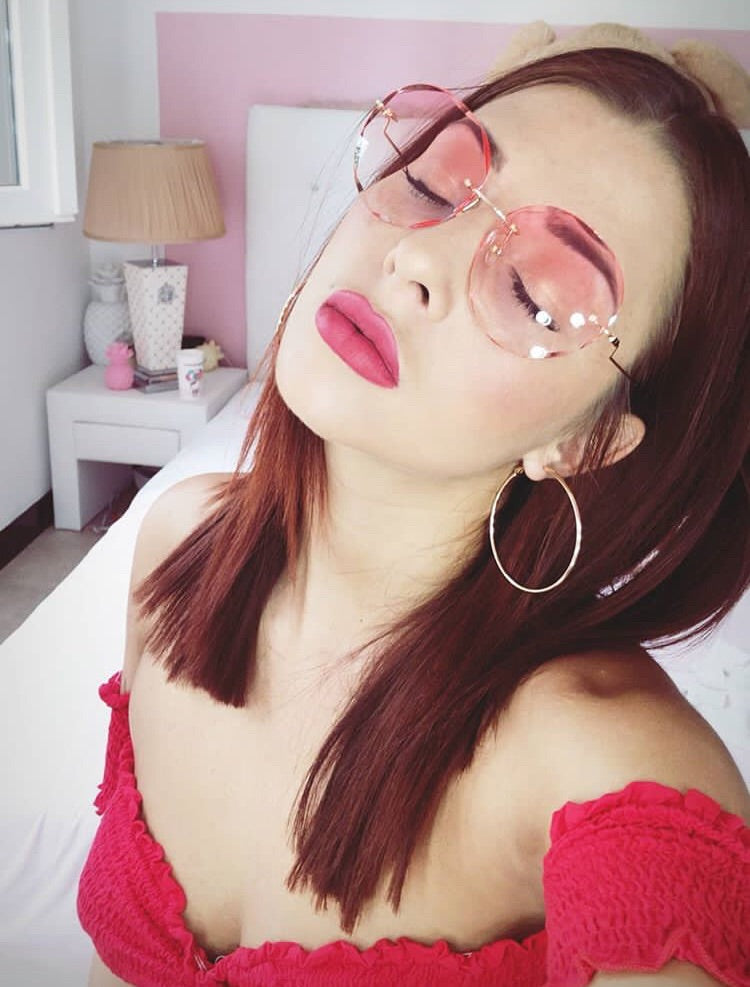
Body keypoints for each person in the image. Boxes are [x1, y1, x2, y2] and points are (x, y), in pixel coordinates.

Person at [78, 21, 750, 987]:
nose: (415, 261)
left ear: (585, 441)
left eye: (534, 293)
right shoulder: (181, 543)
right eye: (436, 183)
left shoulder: (606, 765)